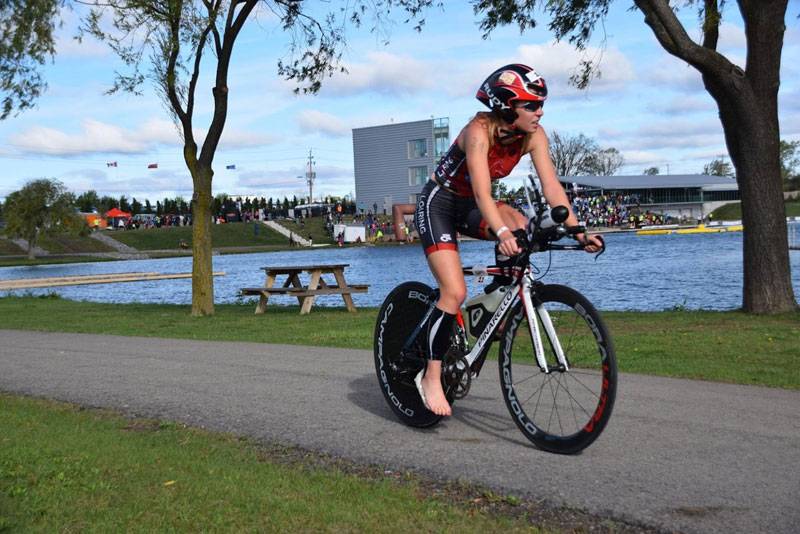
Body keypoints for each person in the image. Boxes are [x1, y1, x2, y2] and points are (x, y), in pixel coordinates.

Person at [413, 64, 604, 417]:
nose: (540, 111)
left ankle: (491, 309)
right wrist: (499, 234)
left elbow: (552, 189)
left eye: (541, 104)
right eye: (531, 105)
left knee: (523, 228)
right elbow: (485, 194)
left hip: (471, 205)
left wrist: (579, 232)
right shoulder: (477, 132)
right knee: (453, 291)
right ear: (505, 107)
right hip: (440, 203)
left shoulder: (535, 135)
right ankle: (431, 375)